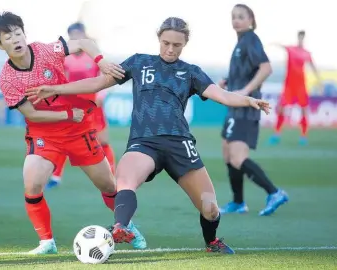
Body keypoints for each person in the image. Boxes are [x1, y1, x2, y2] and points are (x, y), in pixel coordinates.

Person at [26, 17, 273, 254]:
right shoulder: (139, 62)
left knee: (210, 210)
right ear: (159, 39)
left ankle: (212, 241)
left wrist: (248, 99)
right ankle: (121, 227)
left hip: (180, 144)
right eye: (166, 43)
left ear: (184, 44)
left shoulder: (191, 72)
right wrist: (55, 89)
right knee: (124, 179)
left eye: (177, 45)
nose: (170, 49)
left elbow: (223, 95)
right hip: (144, 142)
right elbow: (96, 84)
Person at [0, 11, 146, 255]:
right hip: (45, 134)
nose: (15, 39)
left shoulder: (45, 50)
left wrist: (100, 60)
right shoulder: (7, 78)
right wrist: (67, 115)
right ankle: (46, 242)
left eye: (18, 33)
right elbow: (31, 114)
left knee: (107, 184)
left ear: (24, 34)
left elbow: (83, 43)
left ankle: (128, 226)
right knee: (32, 184)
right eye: (8, 37)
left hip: (77, 131)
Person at [217, 4, 289, 217]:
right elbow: (245, 71)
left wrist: (246, 91)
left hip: (246, 107)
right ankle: (238, 202)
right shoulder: (241, 43)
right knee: (227, 153)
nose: (236, 20)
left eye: (241, 17)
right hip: (235, 106)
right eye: (233, 17)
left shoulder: (251, 39)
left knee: (238, 157)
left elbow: (266, 67)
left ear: (251, 20)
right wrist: (228, 82)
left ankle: (274, 192)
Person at [46, 22, 116, 189]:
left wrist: (101, 95)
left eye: (79, 35)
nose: (76, 39)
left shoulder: (94, 54)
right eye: (73, 36)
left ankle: (111, 172)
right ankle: (55, 176)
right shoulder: (64, 57)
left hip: (93, 102)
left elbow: (107, 75)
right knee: (64, 138)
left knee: (102, 140)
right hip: (72, 102)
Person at [269, 30, 323, 146]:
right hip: (289, 85)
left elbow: (313, 67)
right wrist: (272, 42)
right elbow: (281, 46)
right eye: (299, 37)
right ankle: (276, 134)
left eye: (302, 38)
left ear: (304, 39)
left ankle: (303, 136)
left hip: (300, 86)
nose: (301, 39)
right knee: (281, 108)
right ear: (297, 37)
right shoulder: (291, 49)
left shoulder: (306, 53)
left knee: (304, 110)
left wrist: (319, 82)